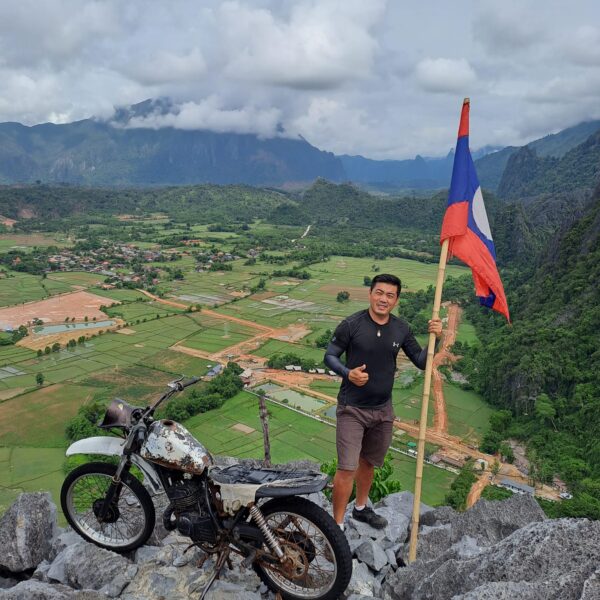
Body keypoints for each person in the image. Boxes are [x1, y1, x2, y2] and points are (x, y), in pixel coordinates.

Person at [324, 273, 442, 529]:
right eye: (379, 293)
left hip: (383, 410)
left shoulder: (401, 328)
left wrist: (436, 337)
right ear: (370, 294)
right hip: (352, 408)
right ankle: (337, 526)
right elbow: (330, 355)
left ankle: (361, 507)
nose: (383, 299)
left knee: (369, 462)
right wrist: (347, 373)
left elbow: (421, 362)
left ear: (396, 300)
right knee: (346, 467)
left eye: (390, 295)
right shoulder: (351, 324)